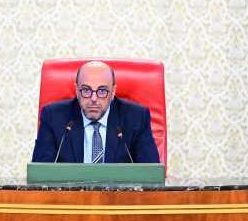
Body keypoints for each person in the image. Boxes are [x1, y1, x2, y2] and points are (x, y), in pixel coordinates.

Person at [32, 61, 160, 163]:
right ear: (77, 90)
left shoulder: (137, 118)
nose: (94, 99)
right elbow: (40, 174)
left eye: (102, 91)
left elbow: (151, 175)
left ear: (113, 92)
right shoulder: (53, 117)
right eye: (86, 90)